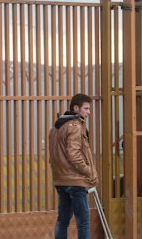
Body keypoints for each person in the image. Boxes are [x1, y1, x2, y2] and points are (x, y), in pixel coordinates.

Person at [49, 93, 98, 239]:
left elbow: (53, 155)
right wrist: (89, 172)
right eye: (86, 108)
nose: (89, 112)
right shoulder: (75, 126)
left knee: (62, 221)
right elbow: (74, 155)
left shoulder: (56, 127)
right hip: (76, 181)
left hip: (60, 179)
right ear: (76, 108)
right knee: (82, 223)